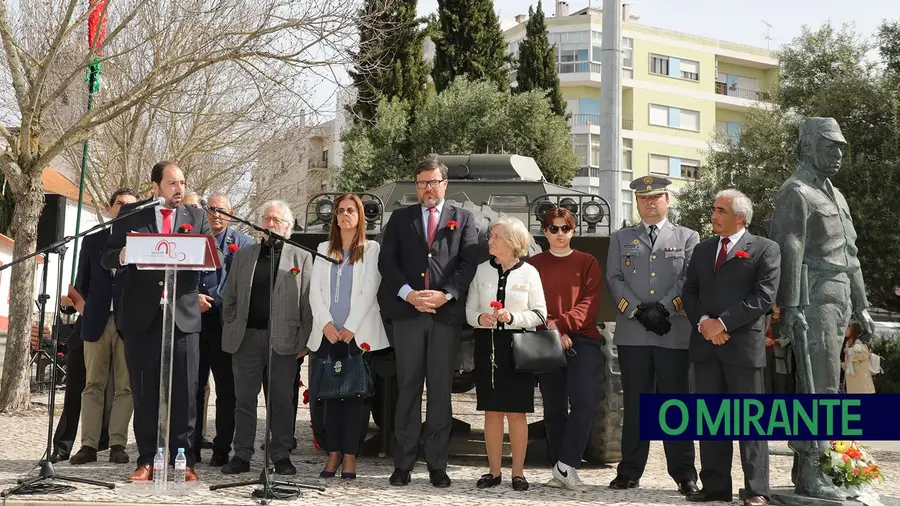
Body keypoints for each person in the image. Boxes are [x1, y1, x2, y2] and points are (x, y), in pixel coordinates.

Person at [770, 117, 877, 501]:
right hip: (813, 297)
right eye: (831, 147)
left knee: (828, 384)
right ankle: (812, 472)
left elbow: (851, 255)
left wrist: (862, 305)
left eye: (842, 148)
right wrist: (791, 305)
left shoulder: (835, 195)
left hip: (840, 297)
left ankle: (813, 467)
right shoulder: (795, 191)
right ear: (807, 146)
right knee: (818, 386)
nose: (839, 155)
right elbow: (790, 249)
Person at [102, 161, 212, 482]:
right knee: (145, 392)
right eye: (172, 183)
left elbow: (208, 257)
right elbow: (107, 256)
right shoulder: (131, 215)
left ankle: (184, 460)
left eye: (182, 183)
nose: (179, 189)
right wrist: (124, 254)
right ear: (155, 187)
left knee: (185, 393)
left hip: (183, 318)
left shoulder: (197, 216)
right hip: (142, 318)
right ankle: (148, 459)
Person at [378, 158, 479, 488]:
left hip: (444, 317)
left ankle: (437, 464)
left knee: (440, 393)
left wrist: (446, 294)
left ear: (444, 184)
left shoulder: (463, 219)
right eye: (422, 183)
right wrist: (408, 294)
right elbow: (387, 262)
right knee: (407, 390)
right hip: (409, 316)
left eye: (434, 182)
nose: (428, 188)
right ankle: (403, 463)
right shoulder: (400, 218)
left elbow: (468, 264)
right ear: (416, 186)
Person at [683, 189, 780, 506]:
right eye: (713, 209)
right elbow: (690, 292)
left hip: (741, 348)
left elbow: (763, 298)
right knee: (711, 420)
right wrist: (705, 325)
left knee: (750, 422)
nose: (714, 215)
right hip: (706, 345)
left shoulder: (765, 249)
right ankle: (715, 487)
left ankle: (756, 490)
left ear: (740, 217)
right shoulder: (702, 250)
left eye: (720, 210)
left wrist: (722, 324)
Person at [604, 175, 700, 495]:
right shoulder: (621, 238)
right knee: (636, 405)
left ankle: (684, 472)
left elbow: (688, 279)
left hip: (673, 332)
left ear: (668, 200)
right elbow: (614, 278)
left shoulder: (688, 236)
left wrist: (663, 309)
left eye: (656, 197)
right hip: (633, 334)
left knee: (676, 404)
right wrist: (638, 311)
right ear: (637, 203)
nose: (650, 202)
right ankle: (629, 470)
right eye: (644, 198)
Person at [220, 200, 312, 475]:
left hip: (284, 341)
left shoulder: (301, 257)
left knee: (282, 400)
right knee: (244, 399)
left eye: (276, 220)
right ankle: (242, 455)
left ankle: (281, 454)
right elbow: (230, 298)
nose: (270, 224)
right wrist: (233, 324)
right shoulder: (245, 255)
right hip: (247, 339)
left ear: (287, 226)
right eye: (266, 219)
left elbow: (308, 303)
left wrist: (305, 340)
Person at [308, 194, 389, 479]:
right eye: (340, 211)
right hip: (328, 335)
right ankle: (332, 455)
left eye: (350, 210)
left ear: (359, 216)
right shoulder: (322, 248)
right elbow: (314, 292)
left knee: (355, 399)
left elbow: (369, 291)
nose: (345, 215)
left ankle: (351, 456)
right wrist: (327, 324)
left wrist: (350, 328)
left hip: (358, 335)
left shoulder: (372, 249)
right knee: (329, 398)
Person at [466, 217, 546, 492]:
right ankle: (494, 472)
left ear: (512, 243)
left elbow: (539, 314)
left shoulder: (530, 273)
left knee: (516, 413)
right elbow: (469, 311)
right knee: (491, 411)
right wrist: (480, 318)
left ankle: (518, 473)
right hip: (487, 347)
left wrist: (512, 316)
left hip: (518, 348)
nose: (489, 241)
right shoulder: (480, 271)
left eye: (495, 237)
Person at [528, 207, 604, 492]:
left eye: (565, 228)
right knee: (554, 408)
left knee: (585, 402)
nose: (560, 234)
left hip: (582, 339)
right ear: (545, 232)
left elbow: (589, 303)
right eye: (553, 228)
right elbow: (530, 302)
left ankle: (567, 464)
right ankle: (560, 469)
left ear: (573, 231)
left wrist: (561, 326)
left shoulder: (588, 262)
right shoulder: (534, 264)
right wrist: (552, 330)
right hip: (546, 338)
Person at [65, 188, 139, 465]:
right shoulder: (93, 240)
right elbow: (81, 280)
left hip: (128, 323)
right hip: (95, 322)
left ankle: (118, 444)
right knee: (92, 385)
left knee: (125, 387)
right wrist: (84, 308)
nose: (124, 209)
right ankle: (88, 446)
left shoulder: (141, 242)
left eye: (131, 206)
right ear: (110, 208)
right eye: (120, 203)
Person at [194, 192, 253, 466]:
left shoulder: (243, 243)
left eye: (221, 210)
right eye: (211, 209)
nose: (215, 214)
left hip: (225, 323)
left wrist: (222, 303)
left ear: (230, 213)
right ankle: (190, 446)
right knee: (193, 387)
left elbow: (246, 285)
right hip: (193, 320)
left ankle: (222, 447)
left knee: (226, 389)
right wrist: (193, 296)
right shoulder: (192, 237)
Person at [843, 320, 877, 394]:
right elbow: (848, 362)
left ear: (854, 330)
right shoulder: (849, 342)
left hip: (860, 379)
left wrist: (849, 351)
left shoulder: (859, 342)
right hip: (853, 378)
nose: (845, 329)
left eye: (848, 327)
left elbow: (864, 355)